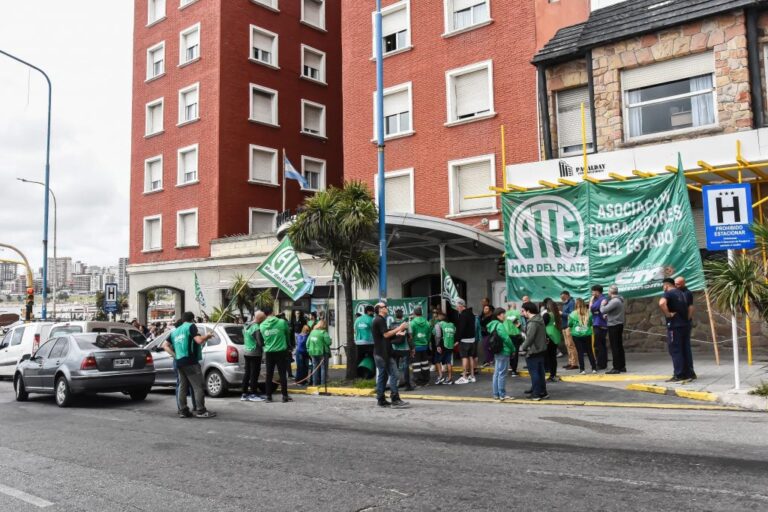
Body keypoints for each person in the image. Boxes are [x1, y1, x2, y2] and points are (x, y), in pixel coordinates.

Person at [162, 312, 216, 418]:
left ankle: (183, 411)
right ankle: (201, 411)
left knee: (182, 386)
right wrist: (208, 336)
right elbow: (199, 340)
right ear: (192, 319)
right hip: (190, 361)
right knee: (197, 386)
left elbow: (165, 345)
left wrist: (175, 355)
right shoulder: (191, 326)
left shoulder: (175, 331)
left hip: (179, 362)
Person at [371, 302, 410, 407]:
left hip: (380, 353)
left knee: (383, 377)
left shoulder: (379, 320)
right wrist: (399, 328)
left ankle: (381, 399)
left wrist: (397, 333)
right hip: (384, 354)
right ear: (380, 309)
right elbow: (386, 334)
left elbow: (385, 335)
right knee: (395, 374)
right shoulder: (379, 320)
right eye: (385, 307)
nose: (387, 308)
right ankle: (395, 399)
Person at [660, 278, 694, 381]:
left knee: (675, 350)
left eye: (663, 286)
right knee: (685, 349)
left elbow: (661, 303)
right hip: (685, 325)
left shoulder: (668, 294)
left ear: (666, 285)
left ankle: (678, 374)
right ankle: (688, 373)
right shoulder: (683, 293)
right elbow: (691, 308)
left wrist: (668, 314)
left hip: (674, 326)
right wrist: (687, 320)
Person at [260, 306, 293, 403]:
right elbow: (287, 334)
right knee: (282, 374)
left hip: (269, 352)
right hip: (281, 351)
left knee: (269, 375)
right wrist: (288, 345)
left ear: (265, 314)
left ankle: (268, 396)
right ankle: (284, 396)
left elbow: (264, 339)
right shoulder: (282, 322)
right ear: (273, 312)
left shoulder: (262, 325)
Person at [519, 302, 549, 401]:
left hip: (533, 351)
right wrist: (520, 327)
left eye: (523, 311)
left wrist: (522, 348)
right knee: (540, 372)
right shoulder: (539, 319)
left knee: (534, 373)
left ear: (528, 311)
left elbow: (530, 338)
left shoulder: (532, 322)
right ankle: (542, 392)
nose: (522, 313)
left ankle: (536, 394)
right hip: (540, 349)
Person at [488, 308, 514, 400]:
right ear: (498, 315)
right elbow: (506, 339)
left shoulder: (492, 325)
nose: (505, 316)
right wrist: (513, 348)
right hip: (504, 350)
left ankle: (496, 394)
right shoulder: (499, 325)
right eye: (503, 314)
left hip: (497, 351)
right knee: (502, 373)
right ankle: (502, 394)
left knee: (496, 373)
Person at [600, 285, 626, 374]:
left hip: (614, 325)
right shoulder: (620, 299)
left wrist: (602, 304)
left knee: (615, 346)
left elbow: (603, 310)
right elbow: (615, 312)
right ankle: (622, 366)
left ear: (611, 292)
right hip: (618, 324)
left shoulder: (614, 301)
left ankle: (616, 367)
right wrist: (609, 315)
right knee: (619, 346)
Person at [675, 276, 697, 380]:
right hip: (682, 323)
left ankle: (688, 371)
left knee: (685, 348)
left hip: (684, 324)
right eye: (675, 283)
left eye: (678, 284)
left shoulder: (687, 293)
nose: (676, 285)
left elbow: (691, 307)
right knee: (683, 347)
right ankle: (687, 371)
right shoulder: (678, 292)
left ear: (683, 283)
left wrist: (687, 320)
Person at [241, 311, 266, 401]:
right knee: (254, 374)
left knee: (247, 373)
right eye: (263, 319)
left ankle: (244, 393)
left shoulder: (246, 325)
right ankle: (253, 394)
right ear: (260, 319)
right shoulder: (256, 327)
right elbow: (260, 342)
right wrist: (265, 342)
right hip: (255, 353)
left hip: (246, 351)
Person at [569, 298, 596, 374]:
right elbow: (591, 323)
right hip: (587, 334)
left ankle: (582, 369)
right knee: (590, 351)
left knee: (580, 352)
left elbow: (570, 324)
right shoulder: (589, 313)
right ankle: (594, 368)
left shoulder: (572, 314)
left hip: (576, 335)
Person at [390, 309, 414, 391]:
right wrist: (412, 348)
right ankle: (407, 386)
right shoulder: (406, 324)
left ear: (395, 315)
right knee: (405, 367)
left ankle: (395, 385)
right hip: (405, 349)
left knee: (395, 367)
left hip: (394, 348)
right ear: (402, 315)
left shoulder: (391, 324)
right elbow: (410, 337)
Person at [454, 299, 477, 384]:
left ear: (461, 306)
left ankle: (464, 376)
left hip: (465, 340)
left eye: (457, 306)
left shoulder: (463, 315)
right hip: (472, 339)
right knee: (471, 357)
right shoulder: (471, 314)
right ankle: (472, 376)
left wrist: (457, 339)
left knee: (464, 357)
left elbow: (461, 329)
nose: (456, 308)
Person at [541, 298, 563, 383]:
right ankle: (553, 374)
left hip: (548, 335)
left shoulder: (547, 315)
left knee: (547, 356)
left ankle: (549, 373)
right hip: (555, 335)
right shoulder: (556, 314)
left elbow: (542, 325)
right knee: (553, 357)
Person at [409, 307, 432, 386]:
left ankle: (418, 382)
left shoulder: (412, 323)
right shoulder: (427, 322)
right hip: (424, 346)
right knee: (425, 363)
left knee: (416, 365)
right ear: (421, 313)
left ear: (414, 313)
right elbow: (429, 335)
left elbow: (410, 336)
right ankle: (426, 380)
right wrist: (426, 342)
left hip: (415, 347)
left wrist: (411, 347)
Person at [589, 285, 609, 370]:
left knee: (598, 344)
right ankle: (602, 363)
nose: (592, 293)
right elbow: (594, 310)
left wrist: (590, 301)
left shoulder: (602, 299)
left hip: (600, 324)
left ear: (597, 291)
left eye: (593, 291)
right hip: (597, 323)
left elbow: (592, 308)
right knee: (600, 344)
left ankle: (601, 363)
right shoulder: (597, 299)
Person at [433, 311, 455, 385]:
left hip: (442, 345)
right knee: (448, 362)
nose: (436, 317)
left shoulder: (438, 324)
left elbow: (438, 336)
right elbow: (454, 333)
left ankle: (440, 376)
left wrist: (437, 346)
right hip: (450, 345)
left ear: (440, 317)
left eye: (437, 316)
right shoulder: (452, 325)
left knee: (437, 361)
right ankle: (449, 378)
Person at [307, 320, 331, 386]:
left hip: (313, 352)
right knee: (323, 368)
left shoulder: (312, 332)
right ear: (324, 325)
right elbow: (329, 342)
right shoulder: (324, 332)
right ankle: (323, 384)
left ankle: (315, 383)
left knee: (315, 368)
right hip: (322, 353)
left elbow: (307, 343)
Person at [560, 291, 578, 370]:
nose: (562, 299)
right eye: (561, 298)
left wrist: (561, 314)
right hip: (564, 326)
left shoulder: (571, 303)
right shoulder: (565, 303)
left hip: (569, 326)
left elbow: (572, 315)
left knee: (571, 345)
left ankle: (574, 363)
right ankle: (570, 362)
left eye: (563, 297)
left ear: (567, 295)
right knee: (567, 345)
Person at [354, 305, 375, 371]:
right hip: (369, 342)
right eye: (372, 312)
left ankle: (358, 373)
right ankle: (371, 372)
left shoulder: (358, 319)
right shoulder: (371, 319)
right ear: (368, 311)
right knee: (372, 357)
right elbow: (374, 331)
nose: (373, 313)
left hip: (358, 342)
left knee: (359, 357)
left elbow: (354, 329)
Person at [504, 303, 523, 376]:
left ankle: (509, 367)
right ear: (514, 306)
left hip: (507, 335)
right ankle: (514, 370)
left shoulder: (505, 314)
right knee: (515, 352)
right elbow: (519, 324)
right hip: (515, 335)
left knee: (509, 352)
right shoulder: (517, 313)